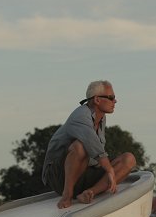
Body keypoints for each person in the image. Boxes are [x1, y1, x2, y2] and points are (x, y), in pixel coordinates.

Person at [42, 80, 136, 209]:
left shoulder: (101, 118)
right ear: (97, 100)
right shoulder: (80, 116)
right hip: (59, 176)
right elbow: (93, 146)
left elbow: (97, 155)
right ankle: (67, 195)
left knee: (129, 159)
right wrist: (109, 170)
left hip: (83, 172)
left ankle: (90, 192)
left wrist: (114, 170)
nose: (115, 101)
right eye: (111, 97)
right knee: (81, 147)